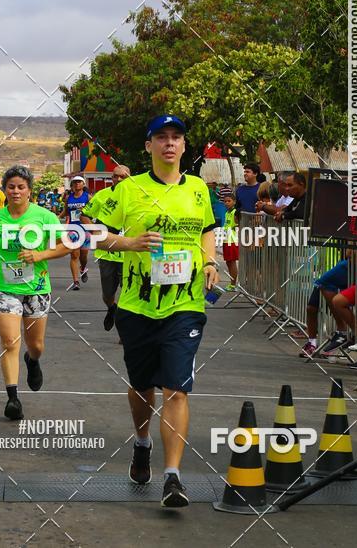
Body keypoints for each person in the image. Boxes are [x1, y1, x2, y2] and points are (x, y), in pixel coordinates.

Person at [96, 114, 219, 508]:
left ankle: (173, 477)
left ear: (184, 146)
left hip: (185, 306)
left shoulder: (198, 189)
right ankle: (142, 441)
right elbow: (91, 231)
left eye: (176, 137)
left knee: (176, 389)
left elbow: (207, 230)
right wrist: (129, 243)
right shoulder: (129, 189)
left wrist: (210, 261)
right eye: (161, 137)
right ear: (149, 146)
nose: (169, 143)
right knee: (141, 387)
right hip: (137, 306)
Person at [0, 165, 70, 421]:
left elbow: (65, 246)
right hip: (5, 288)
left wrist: (40, 255)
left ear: (29, 191)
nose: (15, 191)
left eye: (21, 187)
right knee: (9, 342)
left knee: (35, 345)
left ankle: (33, 360)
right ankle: (12, 398)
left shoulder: (44, 217)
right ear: (5, 190)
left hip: (37, 288)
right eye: (11, 187)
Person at [81, 166, 131, 331]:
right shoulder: (102, 195)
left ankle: (124, 331)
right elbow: (85, 215)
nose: (119, 180)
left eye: (123, 177)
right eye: (115, 176)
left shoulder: (138, 196)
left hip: (129, 254)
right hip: (107, 254)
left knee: (128, 293)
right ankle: (112, 308)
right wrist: (96, 232)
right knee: (108, 294)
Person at [62, 175, 91, 289]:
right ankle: (75, 281)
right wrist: (55, 218)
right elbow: (66, 211)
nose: (77, 184)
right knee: (74, 255)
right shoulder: (68, 198)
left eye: (79, 182)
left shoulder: (88, 197)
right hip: (73, 229)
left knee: (83, 256)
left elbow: (95, 211)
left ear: (83, 184)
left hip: (85, 229)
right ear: (72, 185)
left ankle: (83, 268)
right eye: (75, 182)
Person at [219, 187, 238, 290]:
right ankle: (232, 283)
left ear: (234, 202)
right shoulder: (227, 213)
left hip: (233, 241)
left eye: (229, 201)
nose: (226, 203)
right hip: (226, 239)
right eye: (225, 201)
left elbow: (240, 225)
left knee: (232, 262)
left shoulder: (235, 213)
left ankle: (233, 284)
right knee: (228, 262)